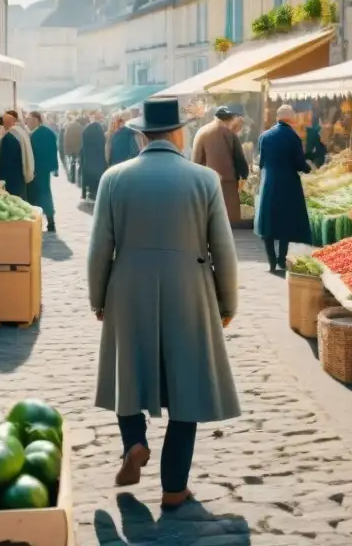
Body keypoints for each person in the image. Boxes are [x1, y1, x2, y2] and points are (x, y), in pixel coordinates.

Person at [88, 97, 239, 509]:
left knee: (128, 372)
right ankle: (174, 487)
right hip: (189, 286)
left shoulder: (114, 178)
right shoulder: (204, 179)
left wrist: (97, 297)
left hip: (128, 284)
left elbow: (100, 248)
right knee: (186, 386)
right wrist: (227, 302)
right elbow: (222, 249)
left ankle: (134, 442)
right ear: (179, 133)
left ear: (140, 135)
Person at [255, 105, 313, 273]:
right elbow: (299, 164)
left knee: (268, 221)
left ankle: (271, 261)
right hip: (288, 184)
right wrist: (308, 168)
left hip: (269, 183)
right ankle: (281, 259)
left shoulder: (264, 136)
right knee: (285, 223)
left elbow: (261, 163)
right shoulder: (293, 137)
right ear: (291, 119)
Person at [191, 106, 249, 224]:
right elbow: (240, 160)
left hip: (207, 185)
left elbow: (195, 162)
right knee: (230, 226)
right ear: (228, 119)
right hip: (229, 186)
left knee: (211, 222)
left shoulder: (201, 132)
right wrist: (244, 174)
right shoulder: (230, 134)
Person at [0, 110, 32, 199]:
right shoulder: (21, 132)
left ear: (5, 123)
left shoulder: (9, 137)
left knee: (13, 202)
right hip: (19, 178)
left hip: (10, 180)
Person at [26, 111, 58, 232]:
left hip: (37, 170)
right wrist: (54, 168)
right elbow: (54, 150)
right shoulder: (48, 132)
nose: (27, 123)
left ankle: (46, 221)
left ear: (35, 120)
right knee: (44, 193)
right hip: (43, 169)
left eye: (29, 120)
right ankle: (49, 221)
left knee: (40, 194)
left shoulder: (37, 134)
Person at [79, 119, 107, 201]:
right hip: (100, 163)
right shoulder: (101, 136)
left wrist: (83, 193)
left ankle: (89, 195)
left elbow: (82, 150)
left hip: (88, 163)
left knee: (90, 182)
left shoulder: (86, 132)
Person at [62, 114, 85, 183]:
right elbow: (82, 139)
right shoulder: (81, 128)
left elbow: (65, 139)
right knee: (80, 163)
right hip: (79, 148)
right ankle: (79, 177)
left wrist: (66, 149)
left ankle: (72, 178)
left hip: (70, 148)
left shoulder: (68, 127)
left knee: (72, 163)